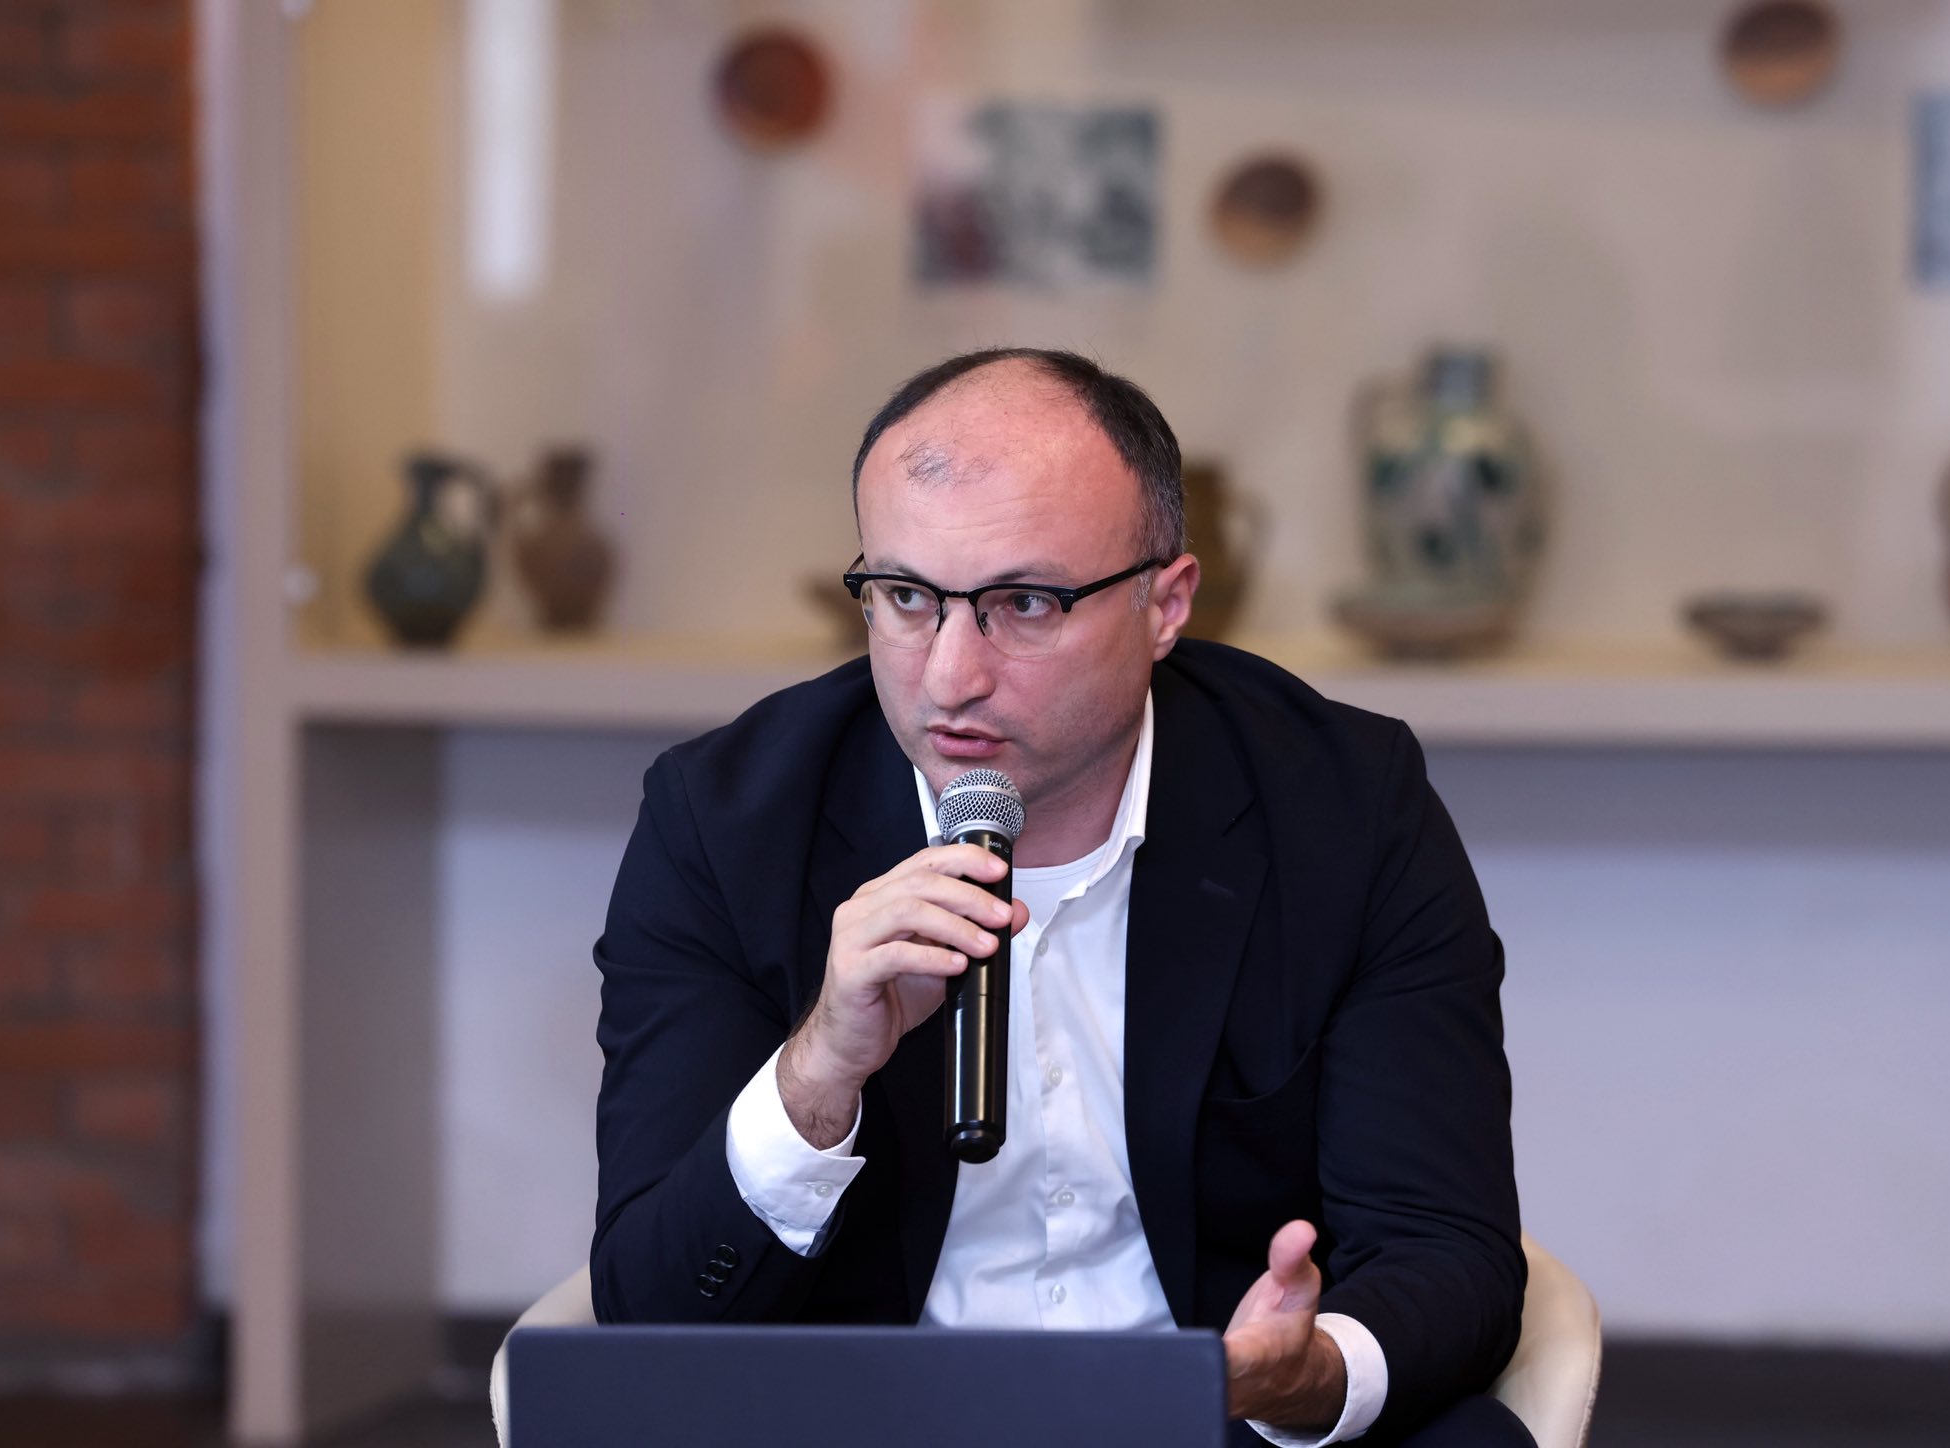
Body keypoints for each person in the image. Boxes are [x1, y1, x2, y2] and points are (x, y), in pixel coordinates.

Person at [590, 349, 1529, 1446]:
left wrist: (1307, 1373)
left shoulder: (1344, 805)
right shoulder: (722, 824)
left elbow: (1444, 1246)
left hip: (1216, 1421)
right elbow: (648, 1314)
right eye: (906, 598)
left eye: (1024, 603)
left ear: (1165, 603)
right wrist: (817, 1074)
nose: (950, 676)